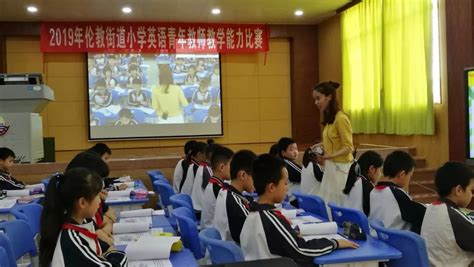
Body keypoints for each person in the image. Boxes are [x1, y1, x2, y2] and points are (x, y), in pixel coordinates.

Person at [240, 154, 358, 265]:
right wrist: (335, 243)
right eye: (285, 183)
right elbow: (301, 250)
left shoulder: (254, 213)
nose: (287, 188)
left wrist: (289, 234)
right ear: (271, 187)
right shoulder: (269, 219)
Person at [39, 168, 127, 266]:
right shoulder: (71, 240)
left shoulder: (84, 222)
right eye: (97, 196)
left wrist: (109, 254)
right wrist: (120, 256)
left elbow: (106, 247)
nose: (100, 201)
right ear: (82, 202)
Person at [421, 162, 474, 266]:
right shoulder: (454, 219)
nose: (472, 195)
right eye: (471, 190)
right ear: (458, 190)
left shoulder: (431, 208)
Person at [312, 81, 354, 205]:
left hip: (341, 169)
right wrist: (319, 145)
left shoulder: (341, 119)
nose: (316, 103)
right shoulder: (331, 119)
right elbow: (333, 142)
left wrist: (327, 156)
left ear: (329, 97)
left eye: (318, 98)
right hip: (331, 167)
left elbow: (348, 147)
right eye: (315, 99)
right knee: (327, 202)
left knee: (338, 203)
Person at [369, 150, 426, 234]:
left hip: (376, 238)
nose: (409, 179)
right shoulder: (396, 194)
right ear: (402, 174)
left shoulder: (374, 190)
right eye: (410, 175)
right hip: (393, 242)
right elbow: (423, 213)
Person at [66, 151, 116, 245]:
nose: (102, 187)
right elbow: (105, 241)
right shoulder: (74, 217)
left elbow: (111, 214)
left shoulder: (83, 211)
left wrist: (105, 226)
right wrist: (106, 226)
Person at [214, 150, 258, 243]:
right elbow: (256, 230)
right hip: (236, 253)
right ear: (242, 175)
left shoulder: (226, 191)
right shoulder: (233, 200)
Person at [201, 145, 234, 229]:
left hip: (210, 232)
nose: (234, 169)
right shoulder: (218, 190)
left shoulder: (214, 184)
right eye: (232, 165)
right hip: (215, 236)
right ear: (222, 167)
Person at [342, 151, 383, 216]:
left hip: (347, 220)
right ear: (372, 169)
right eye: (380, 170)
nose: (380, 174)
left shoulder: (355, 179)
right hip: (358, 224)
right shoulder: (367, 186)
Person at [191, 140, 216, 215]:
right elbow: (214, 194)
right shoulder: (206, 170)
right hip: (200, 211)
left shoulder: (203, 167)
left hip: (197, 207)